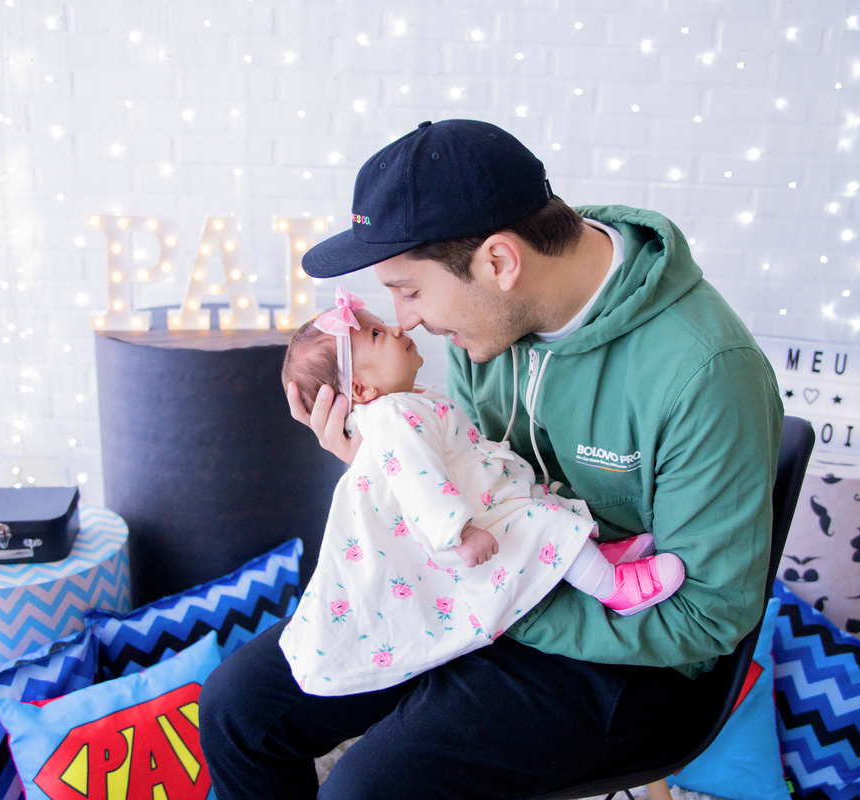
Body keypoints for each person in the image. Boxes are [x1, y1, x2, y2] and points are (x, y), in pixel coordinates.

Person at [200, 119, 784, 799]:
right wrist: (376, 462)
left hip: (629, 654)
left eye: (409, 290)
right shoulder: (493, 322)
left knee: (365, 791)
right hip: (491, 588)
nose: (406, 320)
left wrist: (501, 596)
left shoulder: (706, 373)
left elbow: (705, 621)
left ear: (500, 263)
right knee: (240, 709)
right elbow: (473, 483)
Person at [278, 286, 685, 696]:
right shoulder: (391, 415)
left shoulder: (404, 404)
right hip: (473, 528)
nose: (397, 326)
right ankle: (614, 589)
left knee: (544, 505)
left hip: (489, 497)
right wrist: (458, 533)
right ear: (362, 390)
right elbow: (420, 485)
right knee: (540, 526)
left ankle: (592, 560)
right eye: (377, 335)